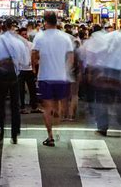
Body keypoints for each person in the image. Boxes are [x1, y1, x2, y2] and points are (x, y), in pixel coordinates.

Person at [32, 12, 74, 147]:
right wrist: (65, 70)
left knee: (47, 107)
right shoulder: (65, 38)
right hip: (61, 77)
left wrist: (35, 67)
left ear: (45, 22)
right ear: (57, 22)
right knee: (58, 106)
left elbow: (34, 55)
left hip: (45, 76)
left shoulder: (39, 37)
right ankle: (56, 129)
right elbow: (71, 57)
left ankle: (50, 136)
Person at [0, 18, 27, 146]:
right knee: (15, 105)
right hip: (15, 76)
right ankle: (15, 134)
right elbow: (25, 62)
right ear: (14, 27)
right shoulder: (19, 42)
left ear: (4, 27)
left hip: (0, 76)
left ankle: (0, 132)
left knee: (0, 104)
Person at [18, 26, 40, 114]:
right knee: (21, 89)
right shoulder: (17, 46)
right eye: (22, 34)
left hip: (29, 69)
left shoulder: (30, 45)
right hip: (20, 70)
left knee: (32, 89)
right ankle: (22, 107)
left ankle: (34, 106)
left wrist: (34, 68)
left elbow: (34, 57)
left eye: (25, 34)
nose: (24, 36)